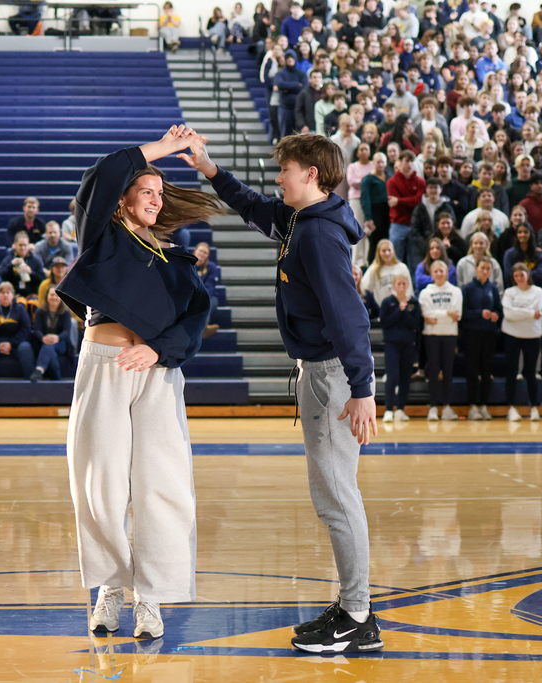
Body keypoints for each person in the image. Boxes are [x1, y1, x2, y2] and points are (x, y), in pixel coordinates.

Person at [187, 130, 381, 654]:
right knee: (333, 495)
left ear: (310, 174)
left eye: (285, 169)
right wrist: (209, 168)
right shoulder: (303, 220)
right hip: (320, 371)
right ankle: (352, 604)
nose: (278, 178)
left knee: (338, 497)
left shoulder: (317, 236)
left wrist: (362, 389)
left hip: (332, 375)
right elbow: (253, 206)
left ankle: (358, 615)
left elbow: (350, 316)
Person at [53, 127, 220, 641]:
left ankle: (150, 597)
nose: (156, 197)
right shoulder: (102, 235)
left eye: (161, 192)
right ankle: (109, 587)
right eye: (146, 190)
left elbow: (195, 321)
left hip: (158, 372)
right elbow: (103, 172)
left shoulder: (180, 264)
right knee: (99, 484)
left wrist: (157, 349)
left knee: (161, 486)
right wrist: (163, 150)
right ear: (122, 200)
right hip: (104, 362)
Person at [419, 258, 462, 421]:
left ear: (447, 272)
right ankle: (433, 408)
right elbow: (428, 316)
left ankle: (447, 407)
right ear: (431, 273)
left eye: (441, 271)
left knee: (448, 372)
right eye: (435, 271)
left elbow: (457, 314)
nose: (439, 273)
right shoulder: (426, 292)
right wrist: (446, 315)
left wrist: (438, 316)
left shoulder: (456, 291)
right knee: (434, 371)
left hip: (450, 336)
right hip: (432, 336)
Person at [502, 262, 542, 422]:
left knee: (531, 373)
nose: (519, 278)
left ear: (528, 275)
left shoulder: (538, 291)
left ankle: (534, 407)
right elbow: (508, 315)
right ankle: (511, 408)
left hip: (532, 335)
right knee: (512, 372)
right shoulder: (509, 292)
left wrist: (518, 312)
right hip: (512, 334)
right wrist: (529, 314)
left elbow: (538, 311)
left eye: (522, 275)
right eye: (516, 276)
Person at [462, 258, 502, 420]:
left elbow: (499, 309)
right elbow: (463, 313)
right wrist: (480, 314)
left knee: (487, 370)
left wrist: (495, 315)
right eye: (482, 267)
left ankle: (484, 405)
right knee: (472, 370)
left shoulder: (493, 288)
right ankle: (472, 406)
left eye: (488, 268)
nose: (485, 271)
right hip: (472, 333)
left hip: (489, 333)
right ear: (476, 269)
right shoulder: (468, 288)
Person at [380, 272, 420, 423]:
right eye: (399, 284)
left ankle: (401, 409)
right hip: (392, 344)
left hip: (408, 344)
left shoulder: (414, 303)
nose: (401, 287)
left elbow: (415, 325)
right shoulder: (387, 302)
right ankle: (389, 409)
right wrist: (399, 310)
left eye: (404, 284)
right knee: (393, 375)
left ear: (407, 285)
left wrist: (405, 311)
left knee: (405, 377)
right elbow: (385, 323)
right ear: (394, 286)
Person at [384, 150, 425, 264]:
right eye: (407, 161)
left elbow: (418, 201)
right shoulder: (392, 182)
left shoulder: (420, 181)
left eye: (412, 161)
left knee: (415, 260)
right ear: (400, 162)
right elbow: (395, 205)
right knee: (395, 259)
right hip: (398, 224)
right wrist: (407, 202)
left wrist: (399, 201)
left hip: (415, 224)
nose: (410, 164)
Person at [31, 286, 73, 381]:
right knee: (51, 353)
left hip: (60, 343)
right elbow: (37, 330)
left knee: (48, 346)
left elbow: (66, 332)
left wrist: (57, 338)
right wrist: (43, 338)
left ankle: (39, 369)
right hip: (43, 342)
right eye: (52, 295)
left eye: (57, 295)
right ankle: (56, 380)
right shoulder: (40, 311)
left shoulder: (66, 312)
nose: (54, 297)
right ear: (47, 297)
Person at [361, 239, 411, 309]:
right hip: (382, 309)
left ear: (393, 251)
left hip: (402, 307)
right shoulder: (374, 269)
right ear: (379, 252)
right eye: (384, 251)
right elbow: (364, 288)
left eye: (389, 250)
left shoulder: (402, 267)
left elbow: (410, 289)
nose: (387, 253)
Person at [503, 223, 542, 288]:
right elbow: (508, 275)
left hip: (534, 288)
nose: (522, 235)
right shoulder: (509, 254)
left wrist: (520, 275)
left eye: (525, 232)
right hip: (515, 289)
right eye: (520, 232)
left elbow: (541, 273)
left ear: (530, 234)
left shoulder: (538, 253)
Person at [194, 242, 221, 338]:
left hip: (209, 296)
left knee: (207, 302)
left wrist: (200, 297)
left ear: (208, 256)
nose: (202, 254)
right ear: (195, 251)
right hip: (190, 296)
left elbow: (210, 287)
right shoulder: (188, 264)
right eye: (200, 250)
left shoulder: (211, 267)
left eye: (205, 253)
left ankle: (204, 328)